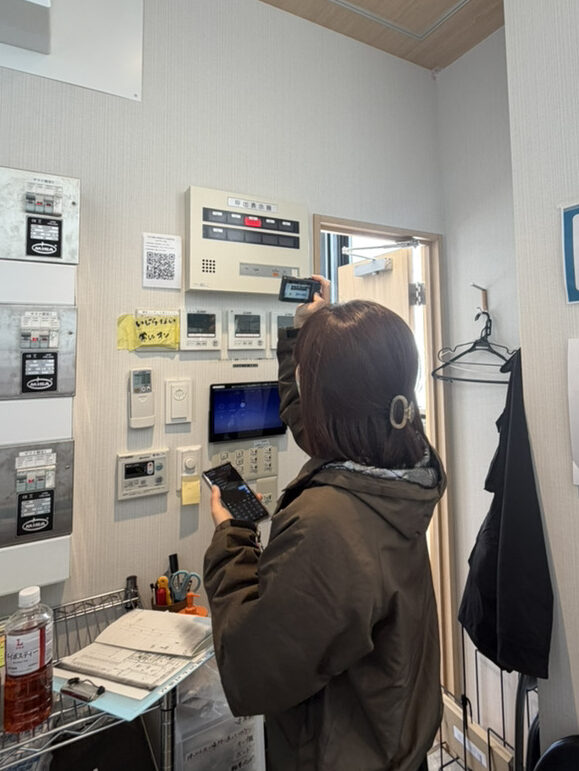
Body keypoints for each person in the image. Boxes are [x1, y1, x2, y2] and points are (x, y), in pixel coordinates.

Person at [203, 276, 446, 771]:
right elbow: (314, 422)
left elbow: (254, 666)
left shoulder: (327, 523)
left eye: (310, 381)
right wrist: (307, 332)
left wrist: (232, 536)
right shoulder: (401, 461)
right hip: (395, 741)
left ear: (330, 400)